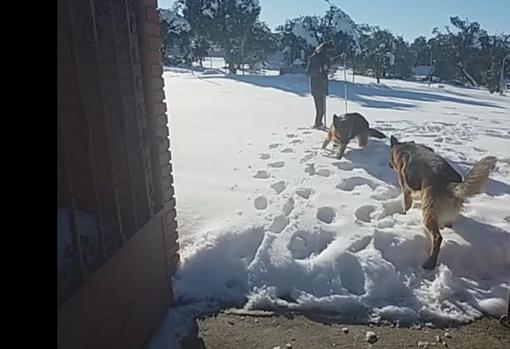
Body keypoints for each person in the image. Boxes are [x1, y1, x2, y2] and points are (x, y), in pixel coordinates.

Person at [306, 41, 339, 129]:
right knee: (320, 109)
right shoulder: (314, 58)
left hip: (323, 85)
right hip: (316, 86)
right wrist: (320, 70)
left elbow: (331, 64)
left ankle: (319, 124)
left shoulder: (326, 59)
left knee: (323, 108)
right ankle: (318, 124)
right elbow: (309, 72)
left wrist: (340, 58)